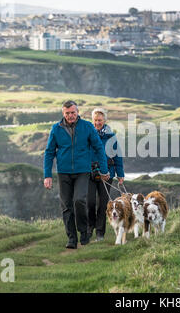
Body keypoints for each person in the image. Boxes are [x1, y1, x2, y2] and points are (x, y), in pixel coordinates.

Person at [43, 100, 110, 249]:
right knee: (66, 205)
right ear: (63, 113)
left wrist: (104, 170)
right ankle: (72, 238)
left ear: (77, 112)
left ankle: (84, 232)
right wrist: (47, 175)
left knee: (79, 200)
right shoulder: (56, 129)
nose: (70, 115)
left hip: (82, 171)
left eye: (73, 112)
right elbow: (49, 153)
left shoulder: (87, 127)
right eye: (67, 113)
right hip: (63, 172)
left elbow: (99, 148)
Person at [87, 107, 125, 242]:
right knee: (90, 202)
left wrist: (120, 174)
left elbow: (118, 156)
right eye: (96, 120)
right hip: (90, 173)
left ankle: (100, 233)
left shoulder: (111, 137)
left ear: (105, 121)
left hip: (107, 174)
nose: (98, 123)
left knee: (103, 204)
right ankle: (89, 228)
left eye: (100, 120)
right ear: (92, 120)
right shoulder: (87, 134)